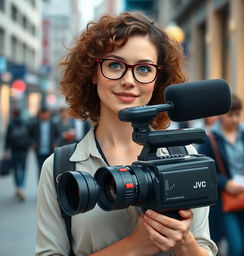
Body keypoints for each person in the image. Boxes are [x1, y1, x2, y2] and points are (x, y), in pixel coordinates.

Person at [35, 12, 217, 256]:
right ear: (92, 72)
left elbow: (204, 247)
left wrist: (184, 242)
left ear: (157, 79)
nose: (129, 80)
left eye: (143, 69)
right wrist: (133, 246)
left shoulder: (184, 156)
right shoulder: (60, 168)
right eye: (115, 65)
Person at [198, 94, 244, 256]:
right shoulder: (210, 139)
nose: (235, 119)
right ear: (221, 115)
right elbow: (204, 170)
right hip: (226, 200)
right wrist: (225, 183)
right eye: (231, 115)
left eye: (238, 114)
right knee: (235, 246)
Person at [4, 108, 32, 201]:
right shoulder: (25, 123)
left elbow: (7, 137)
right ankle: (21, 187)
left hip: (14, 150)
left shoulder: (11, 123)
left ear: (13, 114)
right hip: (24, 150)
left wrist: (5, 150)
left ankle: (17, 187)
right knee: (23, 168)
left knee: (15, 169)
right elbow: (29, 135)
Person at [29, 106, 60, 179]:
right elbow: (29, 135)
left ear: (49, 114)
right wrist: (33, 143)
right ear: (40, 114)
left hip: (50, 151)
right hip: (39, 151)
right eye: (43, 114)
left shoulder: (53, 124)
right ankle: (40, 187)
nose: (45, 115)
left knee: (50, 169)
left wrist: (56, 143)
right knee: (40, 169)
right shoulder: (35, 124)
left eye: (46, 113)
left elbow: (58, 135)